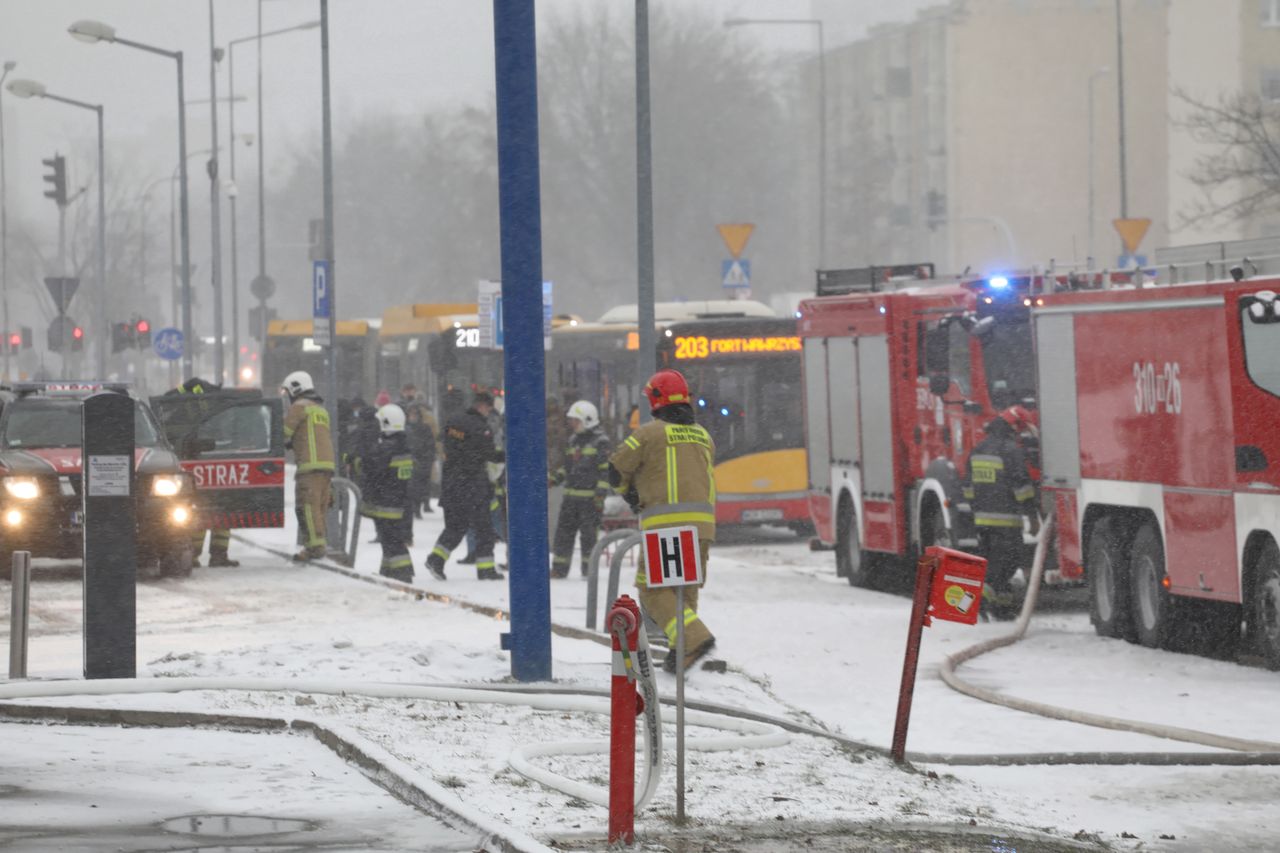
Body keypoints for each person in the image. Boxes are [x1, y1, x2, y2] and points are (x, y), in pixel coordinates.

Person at [609, 369, 717, 673]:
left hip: (667, 526)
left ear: (656, 400)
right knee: (685, 590)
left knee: (652, 589)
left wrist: (629, 494)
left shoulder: (649, 434)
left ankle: (693, 638)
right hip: (704, 527)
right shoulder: (703, 435)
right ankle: (680, 654)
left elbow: (616, 470)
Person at [963, 406, 1040, 620]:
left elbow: (968, 487)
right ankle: (979, 601)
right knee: (1006, 563)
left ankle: (1002, 608)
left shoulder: (978, 449)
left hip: (982, 520)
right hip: (1007, 520)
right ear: (1013, 428)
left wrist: (977, 509)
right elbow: (1022, 487)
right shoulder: (1010, 450)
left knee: (991, 561)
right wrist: (1032, 516)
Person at [425, 391, 505, 581]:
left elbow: (444, 443)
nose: (489, 412)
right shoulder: (481, 427)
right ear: (483, 406)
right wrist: (507, 455)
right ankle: (485, 570)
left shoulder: (453, 421)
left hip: (452, 482)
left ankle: (436, 559)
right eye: (489, 408)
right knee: (484, 528)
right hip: (473, 484)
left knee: (455, 526)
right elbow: (489, 454)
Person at [165, 376, 238, 568]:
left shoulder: (188, 403)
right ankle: (212, 555)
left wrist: (183, 390)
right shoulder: (214, 403)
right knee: (210, 512)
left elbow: (167, 400)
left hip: (204, 461)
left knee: (206, 513)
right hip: (204, 462)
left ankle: (204, 556)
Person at [549, 400, 611, 579]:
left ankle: (588, 570)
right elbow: (568, 467)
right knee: (563, 534)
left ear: (588, 420)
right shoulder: (574, 440)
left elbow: (605, 472)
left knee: (589, 537)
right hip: (570, 498)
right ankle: (559, 569)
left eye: (576, 421)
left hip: (590, 500)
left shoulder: (601, 442)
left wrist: (600, 496)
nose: (572, 424)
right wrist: (554, 479)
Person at [281, 370, 336, 561]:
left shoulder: (299, 407)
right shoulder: (320, 409)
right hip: (326, 465)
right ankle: (319, 542)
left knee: (307, 508)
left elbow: (285, 431)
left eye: (288, 392)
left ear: (296, 388)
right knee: (319, 507)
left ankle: (314, 548)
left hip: (309, 466)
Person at [360, 404, 415, 583]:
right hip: (398, 501)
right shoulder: (403, 445)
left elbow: (371, 469)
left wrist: (357, 460)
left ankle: (404, 573)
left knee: (391, 540)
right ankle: (388, 571)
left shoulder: (388, 448)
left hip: (387, 503)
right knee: (390, 539)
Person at [398, 384, 437, 519]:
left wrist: (426, 459)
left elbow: (430, 445)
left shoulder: (424, 428)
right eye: (411, 413)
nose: (413, 416)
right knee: (410, 489)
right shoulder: (404, 430)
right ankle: (412, 508)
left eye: (415, 413)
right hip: (409, 462)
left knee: (420, 487)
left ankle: (418, 507)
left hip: (421, 462)